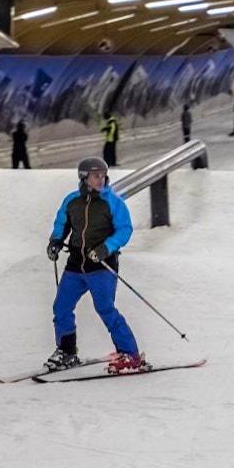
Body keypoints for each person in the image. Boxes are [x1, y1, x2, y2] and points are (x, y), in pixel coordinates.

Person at [45, 158, 146, 374]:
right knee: (61, 307)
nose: (101, 180)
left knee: (105, 309)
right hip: (75, 265)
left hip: (101, 266)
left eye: (103, 175)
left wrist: (105, 248)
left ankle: (130, 354)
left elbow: (124, 230)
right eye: (95, 176)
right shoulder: (72, 201)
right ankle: (66, 352)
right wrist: (55, 241)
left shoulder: (113, 203)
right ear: (84, 178)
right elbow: (62, 223)